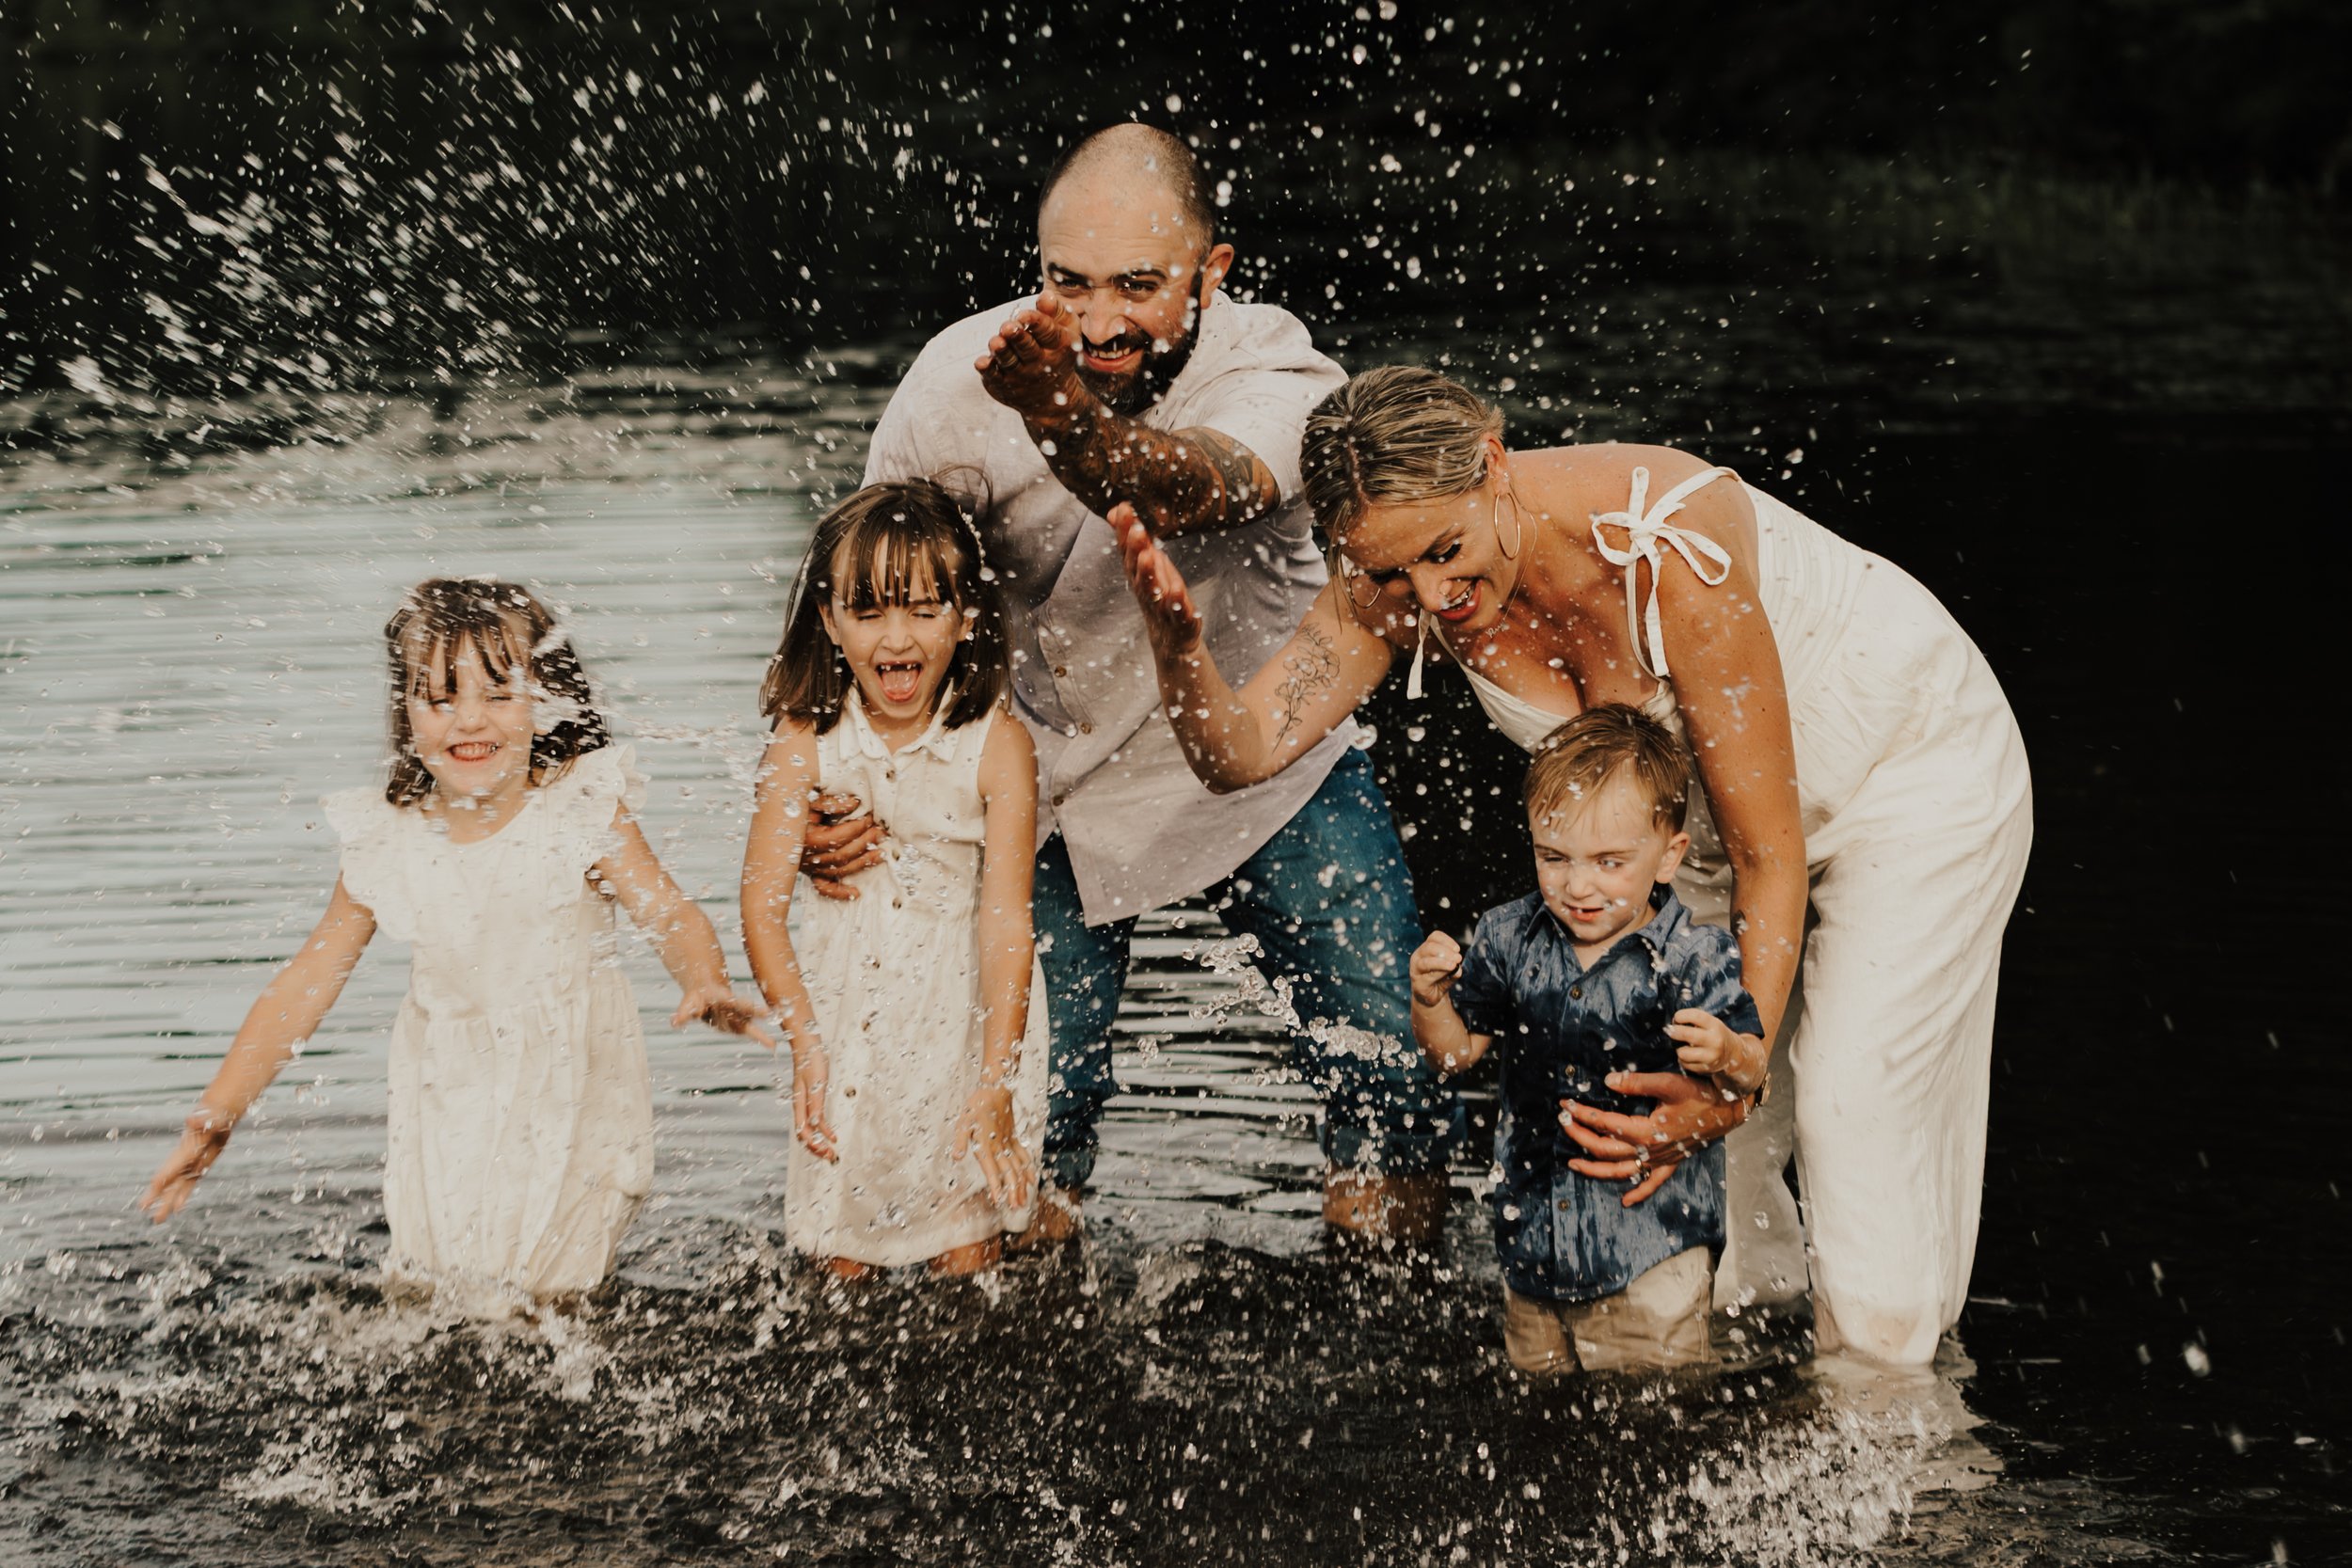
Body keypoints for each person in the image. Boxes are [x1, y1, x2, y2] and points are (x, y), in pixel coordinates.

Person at [1118, 365, 2033, 1365]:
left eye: (1445, 552)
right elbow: (1238, 751)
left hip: (1907, 777)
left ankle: (1893, 1418)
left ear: (1495, 468)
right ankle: (1749, 1365)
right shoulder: (1399, 575)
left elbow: (1772, 857)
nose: (1431, 599)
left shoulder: (1668, 551)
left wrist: (1737, 1075)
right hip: (1697, 847)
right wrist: (1180, 653)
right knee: (1668, 1137)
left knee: (1844, 1099)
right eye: (1388, 573)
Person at [806, 124, 1455, 1243]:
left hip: (1267, 760)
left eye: (1139, 287)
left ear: (1214, 273)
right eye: (1069, 283)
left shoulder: (1278, 370)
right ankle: (1030, 1340)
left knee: (1386, 1069)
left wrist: (1059, 410)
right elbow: (860, 595)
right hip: (1037, 782)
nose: (1100, 322)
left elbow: (1200, 486)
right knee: (1023, 1117)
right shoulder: (949, 385)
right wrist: (818, 791)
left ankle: (1388, 1332)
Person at [137, 578, 775, 1306]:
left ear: (547, 701)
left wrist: (702, 976)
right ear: (405, 711)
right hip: (446, 1099)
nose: (469, 720)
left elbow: (670, 912)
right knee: (435, 1289)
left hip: (572, 1094)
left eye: (499, 694)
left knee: (548, 1294)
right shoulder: (391, 835)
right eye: (440, 697)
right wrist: (217, 1113)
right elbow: (303, 985)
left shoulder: (579, 805)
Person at [741, 481, 1046, 1276]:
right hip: (847, 1022)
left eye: (920, 609)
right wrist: (806, 1040)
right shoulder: (804, 742)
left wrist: (996, 1080)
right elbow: (761, 907)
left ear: (967, 615)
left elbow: (1007, 924)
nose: (894, 636)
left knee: (967, 1248)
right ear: (830, 621)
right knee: (843, 1256)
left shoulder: (997, 746)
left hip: (967, 1019)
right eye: (869, 611)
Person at [1411, 706, 1762, 1375]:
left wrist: (1726, 1051)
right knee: (1540, 1429)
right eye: (1554, 856)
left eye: (1609, 861)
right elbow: (1455, 1055)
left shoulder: (1692, 959)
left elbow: (1749, 1071)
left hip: (1651, 1251)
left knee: (1658, 1425)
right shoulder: (1508, 937)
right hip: (1532, 1250)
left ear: (1670, 856)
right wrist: (1427, 1001)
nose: (1578, 885)